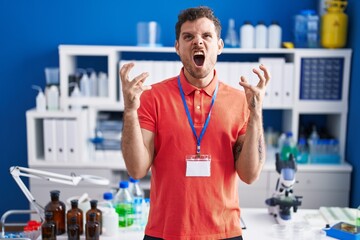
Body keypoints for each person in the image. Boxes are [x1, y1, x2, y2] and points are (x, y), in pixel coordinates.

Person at [120, 6, 270, 240]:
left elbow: (250, 175)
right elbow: (136, 169)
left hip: (224, 232)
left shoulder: (242, 101)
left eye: (206, 36)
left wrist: (256, 113)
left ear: (219, 46)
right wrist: (130, 111)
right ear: (177, 47)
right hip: (165, 232)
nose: (198, 42)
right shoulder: (152, 97)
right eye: (188, 36)